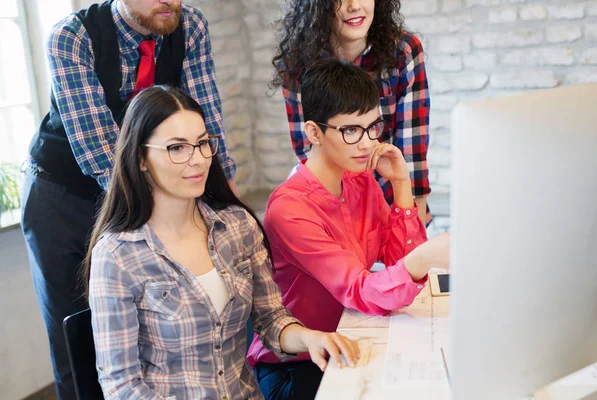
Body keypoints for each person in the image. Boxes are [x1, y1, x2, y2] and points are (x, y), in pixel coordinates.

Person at [20, 1, 237, 398]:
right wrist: (167, 215)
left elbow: (207, 126)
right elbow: (102, 153)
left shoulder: (191, 26)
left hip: (145, 190)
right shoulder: (71, 37)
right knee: (78, 339)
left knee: (142, 330)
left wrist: (225, 204)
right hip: (63, 197)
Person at [85, 86, 359, 400]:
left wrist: (309, 339)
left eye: (203, 143)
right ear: (141, 158)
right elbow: (122, 387)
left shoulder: (237, 227)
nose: (198, 159)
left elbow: (271, 320)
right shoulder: (117, 257)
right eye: (177, 148)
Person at [247, 59, 450, 400]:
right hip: (297, 364)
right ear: (314, 132)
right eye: (351, 130)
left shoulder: (359, 179)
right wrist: (425, 258)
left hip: (351, 334)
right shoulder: (289, 209)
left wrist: (401, 184)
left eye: (373, 127)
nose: (368, 143)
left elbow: (398, 261)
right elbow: (362, 289)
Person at [271, 0, 432, 226]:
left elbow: (412, 155)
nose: (354, 5)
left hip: (394, 197)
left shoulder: (403, 51)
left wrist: (413, 228)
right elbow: (308, 150)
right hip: (333, 205)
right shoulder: (298, 61)